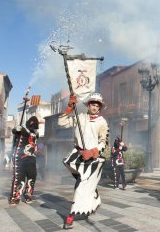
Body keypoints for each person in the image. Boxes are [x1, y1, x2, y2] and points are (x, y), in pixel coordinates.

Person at [59, 93, 109, 229]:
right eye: (93, 104)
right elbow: (62, 123)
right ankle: (94, 197)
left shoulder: (102, 122)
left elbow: (104, 142)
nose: (95, 106)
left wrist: (92, 152)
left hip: (93, 159)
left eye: (97, 105)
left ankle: (70, 217)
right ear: (88, 105)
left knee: (81, 186)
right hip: (77, 155)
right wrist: (69, 107)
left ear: (100, 107)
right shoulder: (79, 117)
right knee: (82, 182)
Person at [9, 116, 39, 205]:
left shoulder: (35, 133)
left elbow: (38, 143)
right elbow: (14, 131)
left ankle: (28, 195)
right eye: (33, 127)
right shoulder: (22, 129)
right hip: (20, 156)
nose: (34, 129)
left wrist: (40, 148)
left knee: (32, 176)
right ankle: (15, 197)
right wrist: (16, 129)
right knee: (19, 177)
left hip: (32, 158)